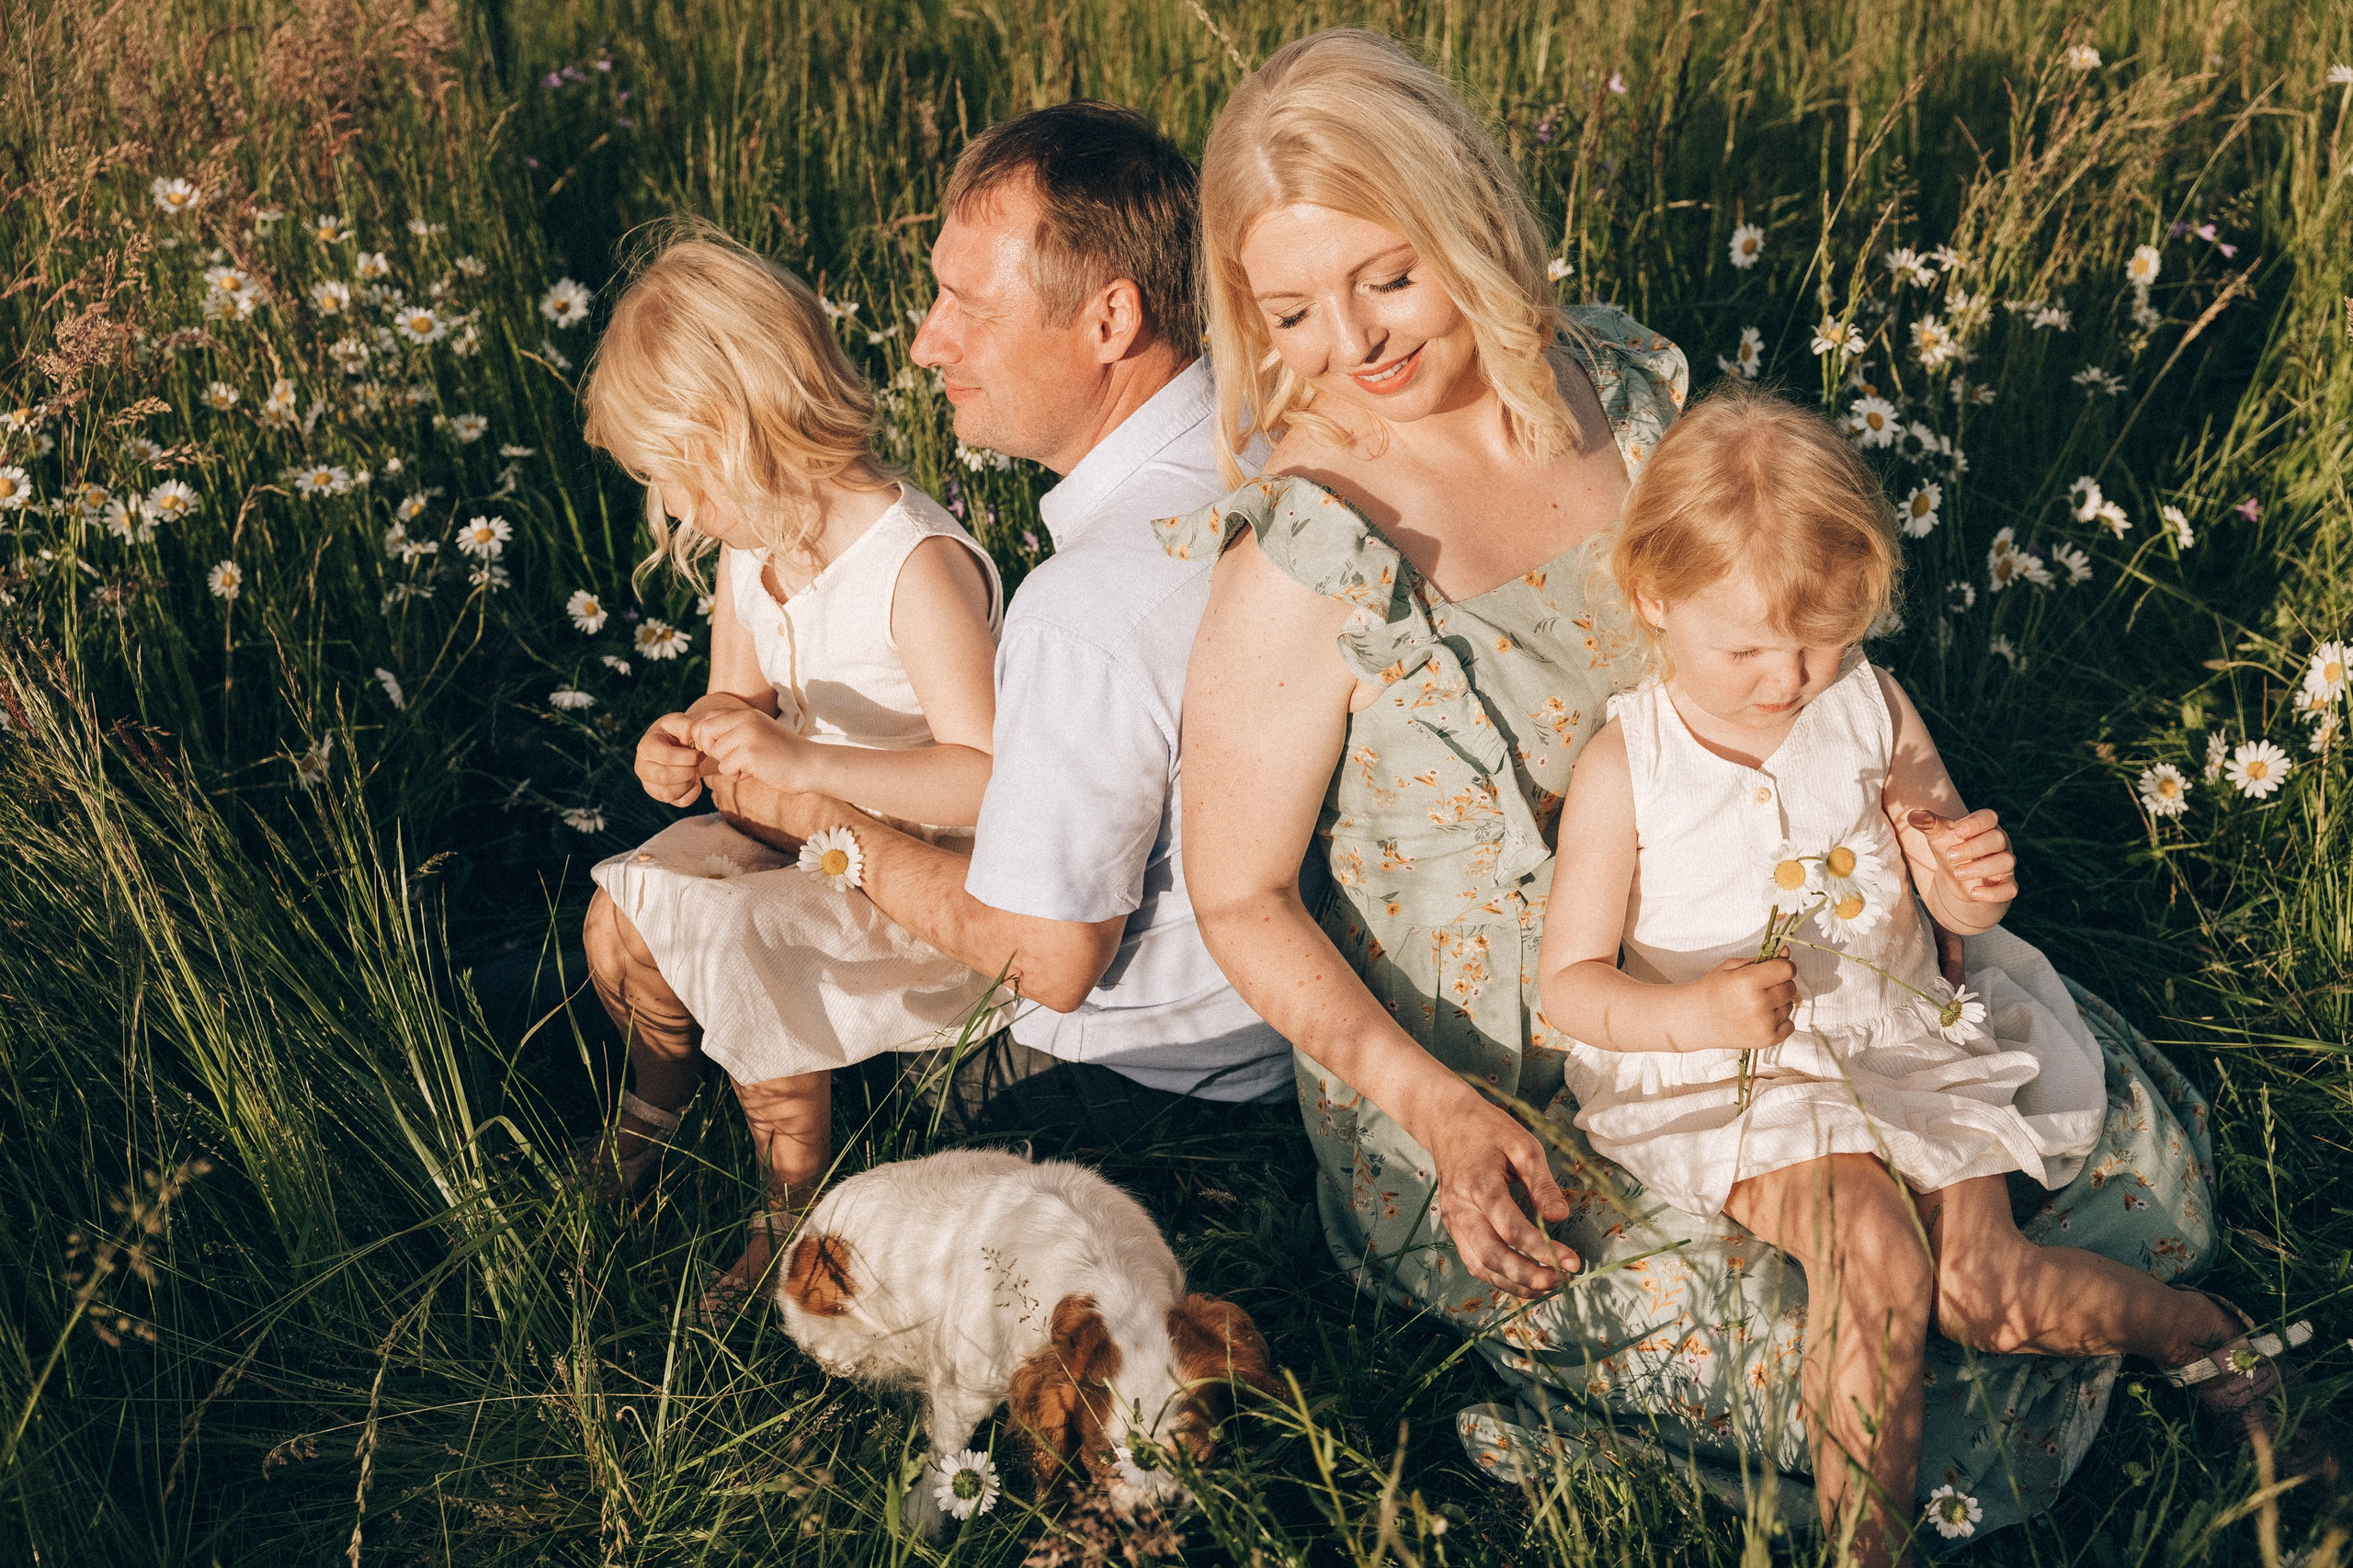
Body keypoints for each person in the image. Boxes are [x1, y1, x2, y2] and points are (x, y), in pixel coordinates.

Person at [1164, 26, 2232, 1550]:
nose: (1356, 341)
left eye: (1387, 276)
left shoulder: (1618, 393)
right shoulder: (1309, 554)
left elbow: (1791, 658)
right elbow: (1236, 894)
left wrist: (1922, 847)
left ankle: (2139, 1332)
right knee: (1790, 1329)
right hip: (1524, 1071)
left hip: (1786, 964)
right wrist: (1444, 1117)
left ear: (1466, 222)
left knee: (2101, 1163)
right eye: (1293, 309)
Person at [1535, 386, 2296, 1565]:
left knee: (1983, 1294)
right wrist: (1688, 1009)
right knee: (1876, 1257)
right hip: (1744, 1075)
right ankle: (1867, 1547)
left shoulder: (1870, 707)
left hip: (1901, 1041)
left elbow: (1954, 903)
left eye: (1819, 639)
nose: (1787, 678)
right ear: (1653, 599)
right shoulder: (1624, 764)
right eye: (1745, 648)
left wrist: (1970, 881)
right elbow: (1570, 986)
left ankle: (2197, 1329)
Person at [608, 102, 1290, 1187]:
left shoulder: (1084, 606)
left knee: (729, 979)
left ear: (1110, 319)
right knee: (643, 921)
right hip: (1256, 1040)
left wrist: (816, 817)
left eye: (967, 305)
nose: (926, 341)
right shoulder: (1267, 444)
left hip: (1129, 1086)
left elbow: (1048, 959)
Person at [576, 222, 1008, 1303]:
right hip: (786, 825)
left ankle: (794, 1192)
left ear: (743, 431)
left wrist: (800, 757)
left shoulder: (913, 568)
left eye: (675, 476)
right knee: (614, 918)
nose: (672, 507)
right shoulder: (753, 546)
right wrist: (686, 741)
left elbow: (987, 774)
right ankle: (655, 1108)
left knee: (725, 934)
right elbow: (735, 696)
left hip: (902, 874)